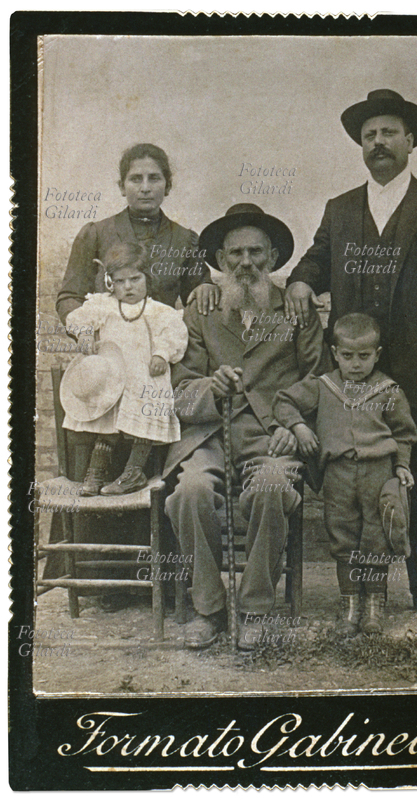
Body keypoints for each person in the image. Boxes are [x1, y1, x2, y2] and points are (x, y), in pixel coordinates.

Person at [283, 89, 417, 622]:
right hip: (351, 379)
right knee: (355, 486)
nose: (378, 142)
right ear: (361, 146)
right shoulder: (340, 209)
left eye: (388, 132)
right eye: (369, 136)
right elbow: (316, 258)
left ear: (410, 140)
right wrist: (297, 281)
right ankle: (365, 597)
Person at [163, 203, 330, 650]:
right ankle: (209, 609)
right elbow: (179, 390)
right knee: (189, 493)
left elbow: (321, 380)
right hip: (210, 436)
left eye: (256, 252)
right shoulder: (201, 311)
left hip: (273, 436)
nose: (246, 263)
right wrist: (209, 387)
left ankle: (255, 608)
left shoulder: (297, 310)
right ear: (219, 261)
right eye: (235, 253)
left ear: (273, 258)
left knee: (272, 488)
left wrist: (291, 424)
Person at [274, 313, 417, 635]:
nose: (355, 364)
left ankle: (374, 607)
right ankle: (350, 604)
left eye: (364, 357)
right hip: (338, 475)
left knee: (377, 537)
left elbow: (404, 433)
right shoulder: (323, 387)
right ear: (335, 353)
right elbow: (283, 401)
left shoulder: (388, 390)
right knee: (343, 538)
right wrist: (298, 427)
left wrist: (402, 466)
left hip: (378, 473)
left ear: (377, 354)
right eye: (348, 356)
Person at [61, 242, 188, 496]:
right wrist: (85, 333)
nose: (128, 287)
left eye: (135, 279)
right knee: (106, 426)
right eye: (120, 281)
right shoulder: (105, 306)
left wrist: (161, 354)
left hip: (145, 376)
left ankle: (134, 472)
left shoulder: (158, 311)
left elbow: (173, 333)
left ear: (147, 279)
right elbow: (77, 318)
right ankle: (96, 473)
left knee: (143, 423)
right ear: (110, 283)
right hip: (112, 375)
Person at [56, 143, 219, 325]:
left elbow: (199, 296)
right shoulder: (96, 234)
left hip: (163, 347)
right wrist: (86, 332)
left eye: (154, 178)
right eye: (136, 179)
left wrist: (206, 288)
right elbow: (69, 297)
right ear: (122, 187)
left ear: (168, 186)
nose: (145, 188)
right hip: (107, 345)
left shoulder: (185, 240)